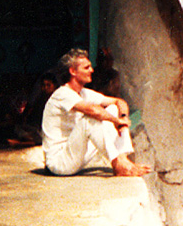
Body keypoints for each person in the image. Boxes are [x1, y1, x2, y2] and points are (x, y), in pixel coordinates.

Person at [41, 49, 150, 177]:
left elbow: (118, 102)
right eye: (86, 67)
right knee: (90, 119)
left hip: (77, 155)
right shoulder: (62, 94)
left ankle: (123, 159)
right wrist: (116, 121)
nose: (92, 70)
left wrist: (123, 118)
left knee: (113, 109)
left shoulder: (84, 93)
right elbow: (93, 111)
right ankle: (118, 164)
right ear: (73, 71)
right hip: (60, 162)